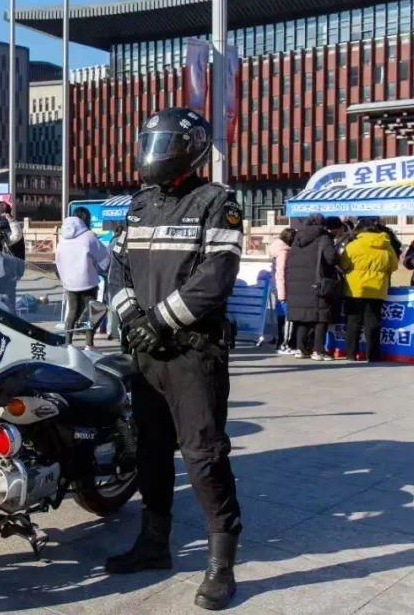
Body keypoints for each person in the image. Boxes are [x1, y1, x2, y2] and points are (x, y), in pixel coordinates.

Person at [105, 108, 243, 610]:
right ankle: (153, 543)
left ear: (191, 149)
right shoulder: (139, 205)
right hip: (146, 353)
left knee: (204, 457)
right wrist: (131, 318)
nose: (153, 154)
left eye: (163, 145)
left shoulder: (217, 203)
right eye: (150, 143)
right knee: (151, 452)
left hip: (193, 352)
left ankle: (221, 565)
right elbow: (118, 268)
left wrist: (160, 320)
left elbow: (215, 277)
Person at [340, 218, 399, 363]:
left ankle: (351, 354)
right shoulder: (386, 245)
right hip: (377, 289)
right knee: (373, 323)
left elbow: (343, 264)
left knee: (353, 322)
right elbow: (394, 266)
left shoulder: (353, 246)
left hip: (355, 289)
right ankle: (373, 355)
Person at [285, 214, 339, 361]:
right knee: (321, 317)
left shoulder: (297, 239)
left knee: (303, 318)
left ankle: (300, 349)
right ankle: (318, 351)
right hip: (317, 283)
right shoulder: (324, 238)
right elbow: (331, 259)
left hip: (298, 285)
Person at [56, 206, 109, 347]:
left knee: (72, 312)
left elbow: (58, 260)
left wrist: (64, 278)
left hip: (70, 282)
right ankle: (89, 344)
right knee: (91, 312)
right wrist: (101, 269)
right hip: (88, 281)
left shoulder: (63, 238)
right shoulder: (89, 236)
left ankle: (67, 342)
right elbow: (104, 258)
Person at [268, 227, 297, 354]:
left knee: (280, 316)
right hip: (282, 287)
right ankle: (284, 344)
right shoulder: (284, 251)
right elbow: (281, 273)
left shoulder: (276, 247)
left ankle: (280, 342)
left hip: (276, 286)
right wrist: (282, 293)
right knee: (288, 317)